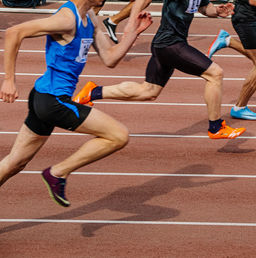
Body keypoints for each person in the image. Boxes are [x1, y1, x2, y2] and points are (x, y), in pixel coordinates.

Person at [0, 0, 152, 207]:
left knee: (14, 163)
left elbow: (110, 58)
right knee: (118, 135)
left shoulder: (89, 17)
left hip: (45, 96)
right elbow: (14, 32)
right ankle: (57, 173)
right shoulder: (67, 19)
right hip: (53, 101)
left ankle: (57, 173)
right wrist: (9, 80)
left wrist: (133, 33)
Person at [73, 0, 246, 139]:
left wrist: (217, 11)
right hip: (170, 44)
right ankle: (215, 127)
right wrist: (130, 26)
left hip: (167, 44)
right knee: (215, 73)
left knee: (148, 91)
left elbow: (202, 7)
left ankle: (93, 92)